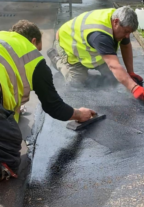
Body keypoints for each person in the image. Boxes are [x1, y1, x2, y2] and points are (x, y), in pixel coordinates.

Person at [0, 20, 95, 181]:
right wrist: (79, 114)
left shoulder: (4, 38)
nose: (38, 52)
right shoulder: (32, 57)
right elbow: (53, 106)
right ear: (34, 41)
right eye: (39, 49)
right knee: (9, 152)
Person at [47, 6, 144, 102]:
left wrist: (130, 73)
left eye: (130, 33)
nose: (127, 35)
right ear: (116, 22)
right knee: (76, 83)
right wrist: (134, 88)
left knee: (114, 79)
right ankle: (57, 59)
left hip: (90, 49)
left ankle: (87, 70)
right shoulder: (100, 36)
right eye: (126, 31)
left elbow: (126, 45)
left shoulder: (117, 19)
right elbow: (113, 65)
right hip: (67, 45)